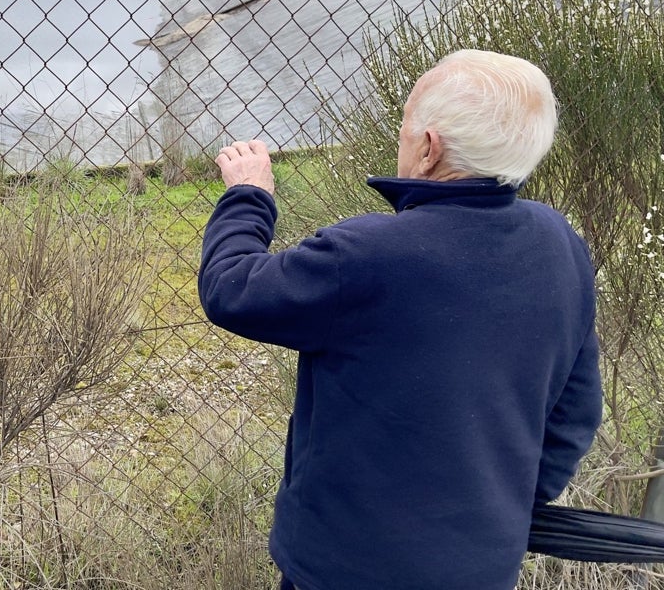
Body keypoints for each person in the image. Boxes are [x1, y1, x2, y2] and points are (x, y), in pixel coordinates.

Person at [198, 49, 603, 590]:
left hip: (346, 568)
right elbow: (576, 411)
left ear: (430, 149)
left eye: (406, 127)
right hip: (482, 567)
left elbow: (232, 289)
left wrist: (249, 194)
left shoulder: (368, 254)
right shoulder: (559, 244)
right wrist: (505, 504)